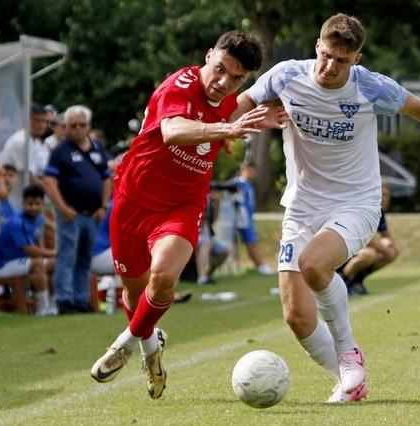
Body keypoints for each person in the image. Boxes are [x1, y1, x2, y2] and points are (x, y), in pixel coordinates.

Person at [232, 13, 420, 403]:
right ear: (317, 47)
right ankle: (348, 380)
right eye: (325, 56)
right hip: (301, 206)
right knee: (295, 313)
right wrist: (226, 131)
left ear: (356, 59)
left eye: (341, 60)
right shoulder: (286, 75)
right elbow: (241, 101)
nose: (329, 67)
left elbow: (415, 107)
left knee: (313, 264)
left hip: (356, 203)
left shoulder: (370, 86)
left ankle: (349, 352)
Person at [89, 30, 286, 399]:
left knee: (163, 276)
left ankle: (125, 345)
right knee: (134, 298)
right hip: (133, 202)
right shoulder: (180, 84)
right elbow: (172, 131)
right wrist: (227, 129)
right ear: (208, 55)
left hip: (183, 206)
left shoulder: (229, 100)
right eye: (220, 69)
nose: (223, 83)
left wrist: (284, 107)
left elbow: (249, 101)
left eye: (237, 78)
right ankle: (150, 347)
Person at [43, 105, 112, 315]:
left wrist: (103, 205)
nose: (77, 129)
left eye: (81, 125)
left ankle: (81, 299)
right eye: (72, 125)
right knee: (67, 256)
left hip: (92, 214)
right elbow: (49, 180)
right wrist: (62, 207)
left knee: (84, 258)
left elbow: (106, 178)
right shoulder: (60, 151)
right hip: (71, 214)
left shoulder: (97, 147)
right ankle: (64, 300)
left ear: (88, 126)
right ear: (66, 127)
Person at [0, 184, 57, 316]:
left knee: (53, 264)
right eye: (29, 203)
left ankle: (53, 305)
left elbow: (40, 238)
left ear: (42, 204)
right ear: (23, 203)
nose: (33, 207)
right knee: (38, 263)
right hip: (2, 265)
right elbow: (30, 251)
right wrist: (54, 253)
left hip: (19, 261)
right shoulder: (17, 222)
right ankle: (42, 309)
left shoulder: (38, 218)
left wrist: (50, 254)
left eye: (37, 204)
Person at [337, 182, 398, 296]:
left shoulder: (379, 212)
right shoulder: (364, 210)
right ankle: (342, 283)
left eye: (386, 195)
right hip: (342, 252)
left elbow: (386, 235)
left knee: (392, 252)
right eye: (382, 194)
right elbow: (366, 240)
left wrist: (389, 245)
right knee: (369, 254)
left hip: (356, 251)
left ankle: (356, 282)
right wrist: (385, 250)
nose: (384, 198)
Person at [0, 103, 50, 210]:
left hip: (23, 201)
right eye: (38, 120)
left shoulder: (33, 141)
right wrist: (54, 191)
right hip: (14, 202)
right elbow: (30, 178)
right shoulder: (21, 141)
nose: (42, 125)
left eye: (45, 121)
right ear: (27, 120)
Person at [234, 161, 274, 275]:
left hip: (248, 217)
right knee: (251, 242)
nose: (253, 173)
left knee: (252, 241)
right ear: (244, 169)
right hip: (241, 219)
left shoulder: (249, 185)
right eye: (251, 170)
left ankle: (259, 265)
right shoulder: (237, 184)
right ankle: (260, 266)